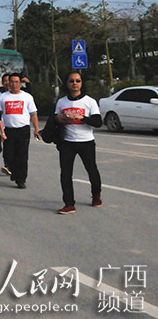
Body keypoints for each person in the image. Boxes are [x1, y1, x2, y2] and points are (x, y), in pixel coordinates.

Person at [55, 71, 103, 214]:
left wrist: (81, 117)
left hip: (86, 142)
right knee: (65, 173)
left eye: (77, 81)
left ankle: (96, 194)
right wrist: (62, 118)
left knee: (91, 170)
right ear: (67, 83)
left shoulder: (89, 101)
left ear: (82, 83)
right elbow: (55, 118)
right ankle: (69, 203)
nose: (74, 84)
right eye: (71, 81)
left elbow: (98, 122)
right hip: (67, 142)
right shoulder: (62, 102)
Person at [0, 74, 39, 189]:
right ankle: (13, 170)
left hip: (23, 130)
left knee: (22, 155)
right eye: (12, 82)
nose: (14, 84)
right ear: (8, 83)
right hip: (8, 130)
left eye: (16, 82)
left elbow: (33, 114)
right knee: (8, 154)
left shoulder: (27, 97)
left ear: (20, 84)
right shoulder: (2, 97)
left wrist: (36, 129)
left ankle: (21, 179)